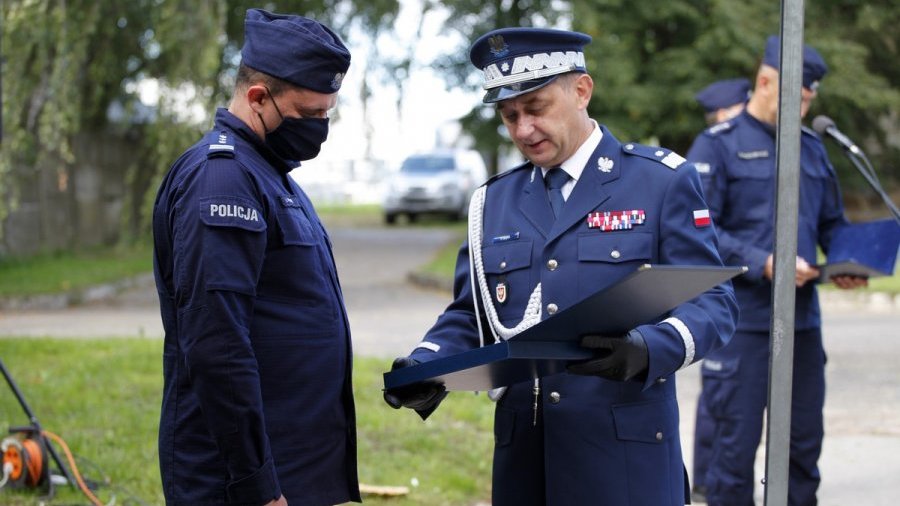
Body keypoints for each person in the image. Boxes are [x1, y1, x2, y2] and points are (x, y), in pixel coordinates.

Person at [383, 27, 739, 505]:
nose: (523, 130)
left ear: (582, 91)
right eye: (510, 116)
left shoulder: (658, 182)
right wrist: (427, 363)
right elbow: (473, 313)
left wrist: (648, 348)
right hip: (526, 461)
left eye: (536, 108)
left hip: (623, 459)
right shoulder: (493, 202)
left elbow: (713, 301)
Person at [152, 9, 360, 506]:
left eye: (327, 113)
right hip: (242, 480)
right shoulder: (222, 179)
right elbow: (217, 344)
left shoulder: (272, 174)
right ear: (258, 97)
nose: (320, 127)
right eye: (310, 114)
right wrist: (256, 483)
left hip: (292, 462)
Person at [686, 35, 868, 506]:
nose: (803, 111)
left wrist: (848, 264)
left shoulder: (811, 149)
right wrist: (763, 262)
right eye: (797, 99)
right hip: (741, 323)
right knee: (732, 453)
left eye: (808, 101)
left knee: (803, 448)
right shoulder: (718, 145)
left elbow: (832, 224)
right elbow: (698, 231)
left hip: (802, 324)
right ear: (766, 82)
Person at [689, 76, 751, 504]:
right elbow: (704, 226)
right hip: (727, 292)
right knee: (721, 398)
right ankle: (706, 481)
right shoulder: (713, 147)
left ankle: (709, 480)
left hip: (761, 297)